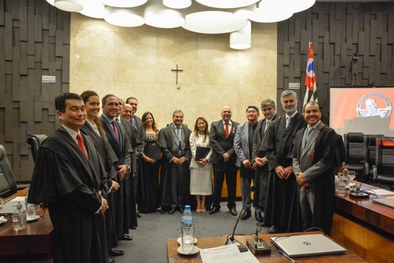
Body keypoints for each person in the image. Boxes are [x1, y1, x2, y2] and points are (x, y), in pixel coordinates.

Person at [27, 92, 108, 263]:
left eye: (82, 109)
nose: (81, 113)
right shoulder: (53, 146)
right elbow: (69, 186)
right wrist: (97, 202)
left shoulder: (86, 139)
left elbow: (96, 173)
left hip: (90, 211)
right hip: (71, 216)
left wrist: (101, 193)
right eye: (74, 109)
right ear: (60, 114)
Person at [80, 90, 123, 261]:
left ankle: (106, 250)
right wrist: (105, 180)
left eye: (97, 104)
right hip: (96, 180)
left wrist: (112, 176)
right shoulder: (82, 128)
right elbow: (90, 159)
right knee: (98, 221)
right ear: (84, 106)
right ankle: (102, 255)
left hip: (105, 178)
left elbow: (108, 153)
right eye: (92, 104)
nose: (96, 107)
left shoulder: (96, 124)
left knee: (105, 220)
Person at [291, 102, 338, 234]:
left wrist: (306, 176)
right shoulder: (300, 133)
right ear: (303, 114)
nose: (311, 114)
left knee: (319, 221)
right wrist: (299, 175)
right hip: (302, 184)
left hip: (320, 185)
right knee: (304, 218)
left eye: (314, 111)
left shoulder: (329, 133)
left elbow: (327, 160)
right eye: (308, 111)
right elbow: (294, 156)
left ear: (320, 113)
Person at [264, 90, 306, 233]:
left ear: (296, 102)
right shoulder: (275, 123)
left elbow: (304, 148)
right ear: (282, 104)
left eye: (291, 101)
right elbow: (269, 148)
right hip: (278, 171)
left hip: (294, 171)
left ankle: (290, 228)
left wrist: (290, 167)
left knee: (291, 201)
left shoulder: (304, 121)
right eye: (285, 102)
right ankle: (276, 225)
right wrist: (276, 166)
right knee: (277, 199)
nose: (288, 104)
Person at [100, 94, 133, 242]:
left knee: (120, 206)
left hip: (122, 171)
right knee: (111, 209)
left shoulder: (119, 124)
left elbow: (127, 149)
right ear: (103, 107)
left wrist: (126, 166)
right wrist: (116, 170)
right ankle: (111, 240)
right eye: (111, 104)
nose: (115, 107)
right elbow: (103, 152)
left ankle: (119, 233)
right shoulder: (99, 125)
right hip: (110, 174)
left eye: (117, 105)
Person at [158, 110, 192, 214]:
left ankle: (181, 204)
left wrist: (185, 157)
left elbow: (191, 147)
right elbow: (163, 146)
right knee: (171, 184)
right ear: (173, 117)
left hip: (183, 161)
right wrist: (172, 157)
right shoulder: (164, 131)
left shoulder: (188, 131)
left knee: (182, 183)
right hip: (171, 161)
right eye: (177, 117)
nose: (179, 119)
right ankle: (172, 204)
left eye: (181, 117)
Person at [209, 106, 239, 216]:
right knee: (217, 184)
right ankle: (215, 205)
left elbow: (237, 142)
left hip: (232, 160)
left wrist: (229, 153)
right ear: (221, 113)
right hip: (218, 160)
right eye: (224, 111)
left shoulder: (237, 125)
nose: (226, 113)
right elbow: (212, 140)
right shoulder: (214, 124)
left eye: (228, 111)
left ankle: (232, 206)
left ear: (231, 113)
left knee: (231, 185)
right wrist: (223, 153)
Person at [252, 99, 278, 223]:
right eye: (264, 110)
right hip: (259, 163)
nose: (267, 112)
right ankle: (260, 211)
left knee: (269, 190)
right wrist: (255, 158)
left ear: (275, 109)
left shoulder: (279, 122)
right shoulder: (260, 123)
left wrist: (266, 158)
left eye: (269, 109)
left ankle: (269, 215)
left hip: (272, 163)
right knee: (259, 189)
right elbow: (255, 143)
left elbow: (279, 145)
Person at [234, 106, 260, 220]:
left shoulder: (263, 126)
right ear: (246, 114)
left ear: (258, 114)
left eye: (253, 111)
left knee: (259, 188)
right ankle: (246, 209)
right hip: (245, 163)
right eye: (249, 112)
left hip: (258, 163)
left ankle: (259, 210)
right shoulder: (241, 127)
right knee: (245, 188)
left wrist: (258, 160)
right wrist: (243, 159)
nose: (251, 113)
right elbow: (236, 145)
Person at [139, 111, 162, 213]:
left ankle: (154, 205)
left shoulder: (157, 131)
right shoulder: (141, 132)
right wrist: (145, 158)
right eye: (147, 118)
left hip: (156, 162)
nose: (149, 120)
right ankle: (146, 206)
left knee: (154, 182)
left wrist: (159, 157)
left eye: (151, 118)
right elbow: (139, 147)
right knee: (146, 183)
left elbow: (161, 146)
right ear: (144, 120)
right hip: (144, 161)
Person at [189, 117, 212, 213]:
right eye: (199, 123)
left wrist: (206, 159)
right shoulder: (193, 135)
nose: (201, 125)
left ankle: (204, 203)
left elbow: (212, 149)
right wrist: (198, 159)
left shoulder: (210, 135)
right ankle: (198, 203)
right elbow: (192, 148)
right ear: (196, 125)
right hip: (196, 164)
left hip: (206, 164)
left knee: (205, 185)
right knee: (196, 185)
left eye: (203, 123)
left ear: (206, 124)